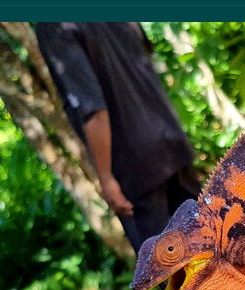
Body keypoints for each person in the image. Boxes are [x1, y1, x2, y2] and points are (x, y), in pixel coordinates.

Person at [35, 22, 201, 253]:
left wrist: (105, 177)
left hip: (134, 167)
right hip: (169, 141)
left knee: (167, 272)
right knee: (212, 241)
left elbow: (93, 109)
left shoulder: (53, 27)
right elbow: (145, 54)